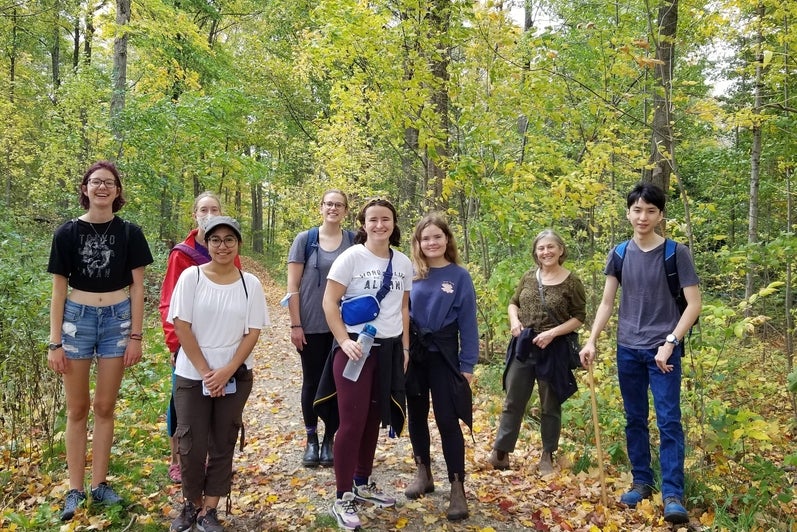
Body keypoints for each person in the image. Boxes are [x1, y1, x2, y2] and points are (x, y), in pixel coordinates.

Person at [580, 182, 700, 525]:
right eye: (637, 210)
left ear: (660, 215)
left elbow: (694, 304)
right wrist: (591, 340)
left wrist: (671, 342)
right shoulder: (619, 253)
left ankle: (673, 494)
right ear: (628, 213)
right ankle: (642, 482)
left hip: (663, 351)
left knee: (668, 420)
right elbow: (607, 303)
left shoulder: (676, 253)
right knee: (634, 418)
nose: (643, 217)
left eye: (650, 210)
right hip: (628, 349)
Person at [47, 160, 154, 521]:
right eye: (96, 182)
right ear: (85, 188)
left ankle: (99, 485)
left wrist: (136, 335)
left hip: (117, 320)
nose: (102, 187)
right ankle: (75, 490)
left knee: (105, 407)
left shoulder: (130, 233)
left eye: (109, 182)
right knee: (77, 408)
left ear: (117, 191)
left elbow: (137, 287)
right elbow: (58, 290)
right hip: (76, 321)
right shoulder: (66, 233)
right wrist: (55, 342)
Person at [315, 198, 412, 531]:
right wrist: (344, 341)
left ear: (393, 223)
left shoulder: (403, 262)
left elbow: (403, 308)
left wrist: (405, 347)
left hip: (388, 350)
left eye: (386, 219)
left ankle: (362, 482)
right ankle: (342, 496)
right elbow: (329, 302)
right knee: (352, 422)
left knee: (374, 418)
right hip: (356, 349)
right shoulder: (351, 257)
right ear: (363, 224)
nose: (379, 225)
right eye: (373, 219)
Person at [167, 216, 269, 532]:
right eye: (215, 240)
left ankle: (210, 510)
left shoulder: (249, 284)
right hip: (191, 373)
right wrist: (206, 372)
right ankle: (191, 504)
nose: (222, 246)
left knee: (223, 441)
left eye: (229, 240)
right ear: (207, 243)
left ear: (238, 244)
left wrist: (227, 371)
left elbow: (252, 331)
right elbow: (181, 326)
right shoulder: (192, 277)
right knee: (191, 443)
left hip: (235, 375)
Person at [159, 192, 242, 483]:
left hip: (221, 341)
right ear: (194, 215)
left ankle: (209, 458)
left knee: (218, 399)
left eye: (214, 209)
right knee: (181, 401)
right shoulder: (182, 254)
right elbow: (169, 303)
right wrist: (175, 344)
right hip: (188, 341)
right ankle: (177, 459)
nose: (209, 214)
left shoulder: (228, 250)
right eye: (203, 210)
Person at [489, 229, 586, 475]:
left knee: (549, 404)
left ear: (561, 250)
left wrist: (553, 333)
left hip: (554, 349)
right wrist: (514, 321)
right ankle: (501, 452)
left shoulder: (572, 282)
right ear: (535, 253)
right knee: (513, 399)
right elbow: (514, 303)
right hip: (524, 345)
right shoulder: (528, 277)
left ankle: (547, 455)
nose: (546, 252)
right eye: (541, 248)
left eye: (551, 247)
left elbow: (579, 317)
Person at [404, 213, 478, 521]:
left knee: (448, 419)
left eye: (437, 237)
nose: (432, 242)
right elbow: (400, 313)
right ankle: (423, 471)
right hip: (415, 354)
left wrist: (468, 364)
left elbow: (468, 323)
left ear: (447, 239)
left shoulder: (459, 276)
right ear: (418, 243)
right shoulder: (410, 274)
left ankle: (457, 486)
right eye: (426, 238)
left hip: (445, 355)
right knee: (416, 414)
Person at [286, 190, 353, 468]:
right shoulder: (305, 240)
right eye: (329, 204)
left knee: (338, 383)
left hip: (344, 327)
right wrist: (295, 324)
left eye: (339, 205)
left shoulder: (353, 241)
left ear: (346, 210)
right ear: (321, 207)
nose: (333, 208)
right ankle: (311, 439)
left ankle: (329, 440)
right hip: (312, 324)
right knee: (312, 382)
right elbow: (292, 286)